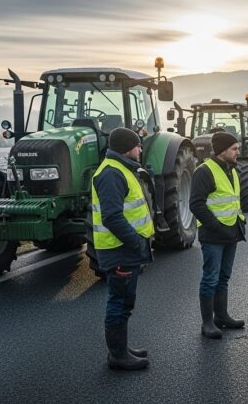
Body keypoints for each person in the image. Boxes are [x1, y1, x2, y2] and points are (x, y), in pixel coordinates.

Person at [92, 127, 153, 371]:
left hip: (124, 249)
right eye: (138, 145)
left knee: (126, 301)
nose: (140, 149)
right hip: (119, 250)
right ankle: (117, 356)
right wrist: (137, 242)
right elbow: (112, 217)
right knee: (118, 302)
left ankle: (122, 348)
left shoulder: (121, 169)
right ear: (128, 148)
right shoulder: (111, 173)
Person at [189, 131, 247, 339]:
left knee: (223, 278)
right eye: (234, 148)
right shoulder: (204, 171)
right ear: (222, 150)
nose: (238, 151)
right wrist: (216, 226)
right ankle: (207, 323)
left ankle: (222, 316)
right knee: (210, 278)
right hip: (214, 235)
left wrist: (239, 224)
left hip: (231, 233)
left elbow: (231, 201)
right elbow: (196, 204)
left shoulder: (232, 169)